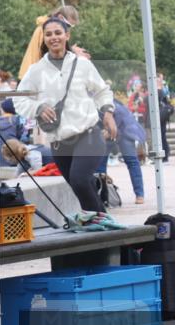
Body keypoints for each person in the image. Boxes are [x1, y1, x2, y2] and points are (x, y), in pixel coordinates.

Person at [12, 17, 116, 211]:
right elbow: (19, 99)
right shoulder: (36, 71)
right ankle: (100, 228)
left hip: (89, 133)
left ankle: (102, 226)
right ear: (44, 39)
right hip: (59, 142)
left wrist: (108, 113)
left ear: (67, 35)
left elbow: (102, 91)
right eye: (49, 34)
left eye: (58, 33)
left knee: (79, 180)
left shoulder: (82, 65)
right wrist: (39, 108)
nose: (54, 37)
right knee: (79, 187)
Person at [17, 5, 88, 80]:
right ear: (60, 17)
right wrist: (72, 52)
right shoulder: (45, 29)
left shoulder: (44, 27)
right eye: (68, 25)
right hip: (32, 78)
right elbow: (51, 52)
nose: (67, 28)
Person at [96, 99, 146, 204]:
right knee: (100, 162)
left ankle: (139, 194)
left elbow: (120, 122)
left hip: (125, 131)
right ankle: (101, 194)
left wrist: (107, 132)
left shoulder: (109, 104)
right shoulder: (91, 104)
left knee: (131, 161)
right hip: (110, 131)